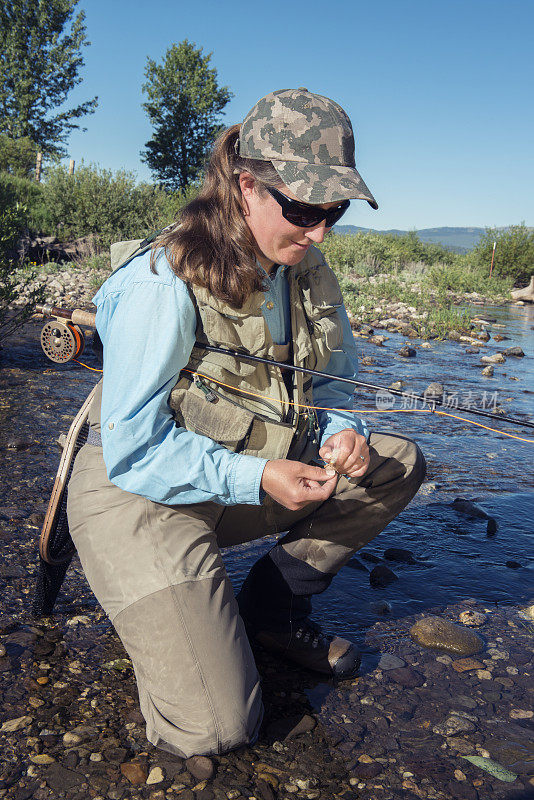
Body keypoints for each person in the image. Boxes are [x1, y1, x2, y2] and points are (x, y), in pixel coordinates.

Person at [67, 88, 426, 758]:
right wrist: (257, 474)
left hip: (249, 472)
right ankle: (168, 613)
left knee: (397, 461)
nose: (320, 231)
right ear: (245, 185)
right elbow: (135, 452)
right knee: (217, 728)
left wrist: (343, 431)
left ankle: (268, 609)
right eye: (303, 210)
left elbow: (330, 381)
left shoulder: (306, 268)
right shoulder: (159, 283)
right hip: (136, 495)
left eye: (335, 211)